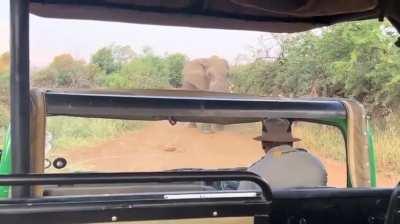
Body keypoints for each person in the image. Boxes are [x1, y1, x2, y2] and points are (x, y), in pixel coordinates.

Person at [240, 118, 327, 190]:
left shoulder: (254, 174)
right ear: (291, 143)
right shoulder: (316, 164)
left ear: (263, 144)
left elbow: (241, 205)